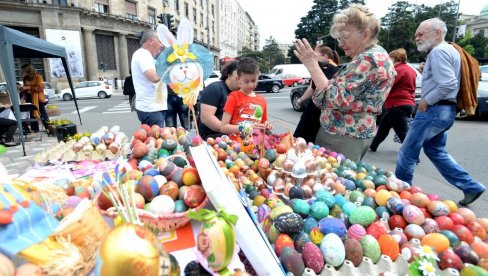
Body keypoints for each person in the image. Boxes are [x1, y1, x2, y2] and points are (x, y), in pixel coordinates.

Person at [395, 18, 486, 206]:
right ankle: (471, 186)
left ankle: (400, 194)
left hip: (434, 110)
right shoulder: (449, 50)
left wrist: (426, 101)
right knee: (435, 150)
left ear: (437, 33)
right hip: (445, 111)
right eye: (416, 35)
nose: (417, 37)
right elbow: (447, 81)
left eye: (421, 34)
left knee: (407, 152)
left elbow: (448, 84)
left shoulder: (438, 52)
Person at [294, 4, 396, 163]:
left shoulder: (368, 60)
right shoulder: (376, 54)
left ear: (365, 34)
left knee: (330, 180)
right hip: (351, 134)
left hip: (342, 136)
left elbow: (332, 98)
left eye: (345, 37)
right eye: (340, 38)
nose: (341, 44)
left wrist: (312, 64)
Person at [370, 48, 417, 151]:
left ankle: (412, 155)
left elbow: (389, 85)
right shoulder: (411, 69)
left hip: (397, 104)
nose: (388, 61)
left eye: (390, 58)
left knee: (402, 132)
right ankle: (373, 145)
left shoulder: (397, 70)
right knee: (384, 125)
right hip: (408, 103)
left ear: (397, 59)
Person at [293, 45, 340, 143]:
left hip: (315, 110)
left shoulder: (325, 68)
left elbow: (312, 88)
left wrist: (300, 100)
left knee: (301, 140)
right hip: (325, 113)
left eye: (316, 54)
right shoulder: (336, 68)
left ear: (324, 55)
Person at [220, 57, 269, 142]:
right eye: (246, 81)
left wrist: (266, 126)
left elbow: (263, 123)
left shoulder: (262, 100)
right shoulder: (234, 97)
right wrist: (246, 128)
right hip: (236, 147)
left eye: (253, 80)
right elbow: (223, 127)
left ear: (258, 77)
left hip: (256, 146)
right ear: (238, 79)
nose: (250, 85)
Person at [130, 29, 166, 127]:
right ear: (150, 41)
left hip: (153, 108)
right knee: (154, 140)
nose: (162, 45)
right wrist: (168, 69)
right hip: (151, 109)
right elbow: (153, 77)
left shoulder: (146, 56)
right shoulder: (143, 54)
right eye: (160, 41)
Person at [198, 61, 239, 139]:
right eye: (238, 75)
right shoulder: (215, 88)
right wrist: (232, 130)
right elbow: (206, 117)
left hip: (236, 137)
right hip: (214, 137)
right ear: (229, 74)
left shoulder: (242, 92)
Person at [19, 64, 49, 133]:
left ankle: (48, 127)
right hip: (29, 97)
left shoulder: (38, 77)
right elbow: (25, 87)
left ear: (28, 70)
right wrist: (22, 89)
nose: (22, 71)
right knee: (32, 113)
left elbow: (41, 88)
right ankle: (35, 129)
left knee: (42, 112)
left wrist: (28, 87)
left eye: (23, 70)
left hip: (38, 97)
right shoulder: (25, 78)